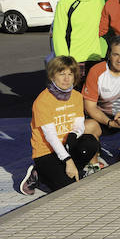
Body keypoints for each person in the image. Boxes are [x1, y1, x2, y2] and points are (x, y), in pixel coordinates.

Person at [20, 56, 102, 195]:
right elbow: (50, 136)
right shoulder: (42, 101)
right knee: (68, 188)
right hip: (46, 151)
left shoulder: (76, 96)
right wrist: (68, 161)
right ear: (52, 76)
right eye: (62, 74)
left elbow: (79, 124)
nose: (66, 78)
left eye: (70, 74)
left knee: (90, 143)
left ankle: (66, 169)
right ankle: (39, 173)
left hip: (66, 146)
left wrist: (73, 135)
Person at [52, 0, 106, 76]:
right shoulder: (65, 3)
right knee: (75, 94)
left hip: (95, 58)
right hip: (74, 61)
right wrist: (65, 63)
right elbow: (58, 36)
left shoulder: (98, 1)